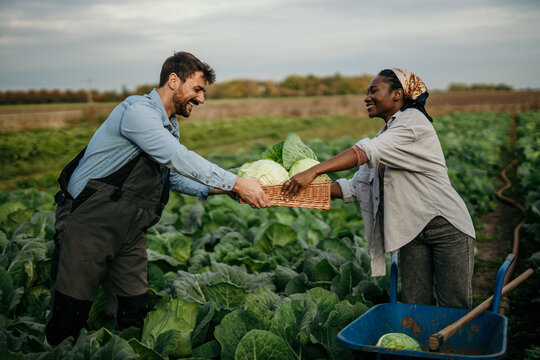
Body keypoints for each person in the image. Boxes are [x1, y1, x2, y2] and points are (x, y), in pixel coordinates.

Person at [44, 51, 269, 348]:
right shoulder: (138, 112)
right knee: (71, 308)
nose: (201, 99)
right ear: (174, 81)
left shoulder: (169, 126)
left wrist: (228, 190)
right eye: (198, 90)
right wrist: (237, 182)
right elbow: (176, 158)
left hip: (130, 228)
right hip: (90, 220)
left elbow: (171, 177)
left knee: (133, 308)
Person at [282, 68, 475, 309]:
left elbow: (364, 152)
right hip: (412, 230)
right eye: (367, 92)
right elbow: (355, 187)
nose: (366, 97)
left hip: (445, 227)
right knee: (416, 305)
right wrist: (291, 192)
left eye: (374, 91)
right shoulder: (387, 133)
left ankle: (456, 348)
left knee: (453, 307)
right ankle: (420, 348)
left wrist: (314, 170)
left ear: (397, 94)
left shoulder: (413, 123)